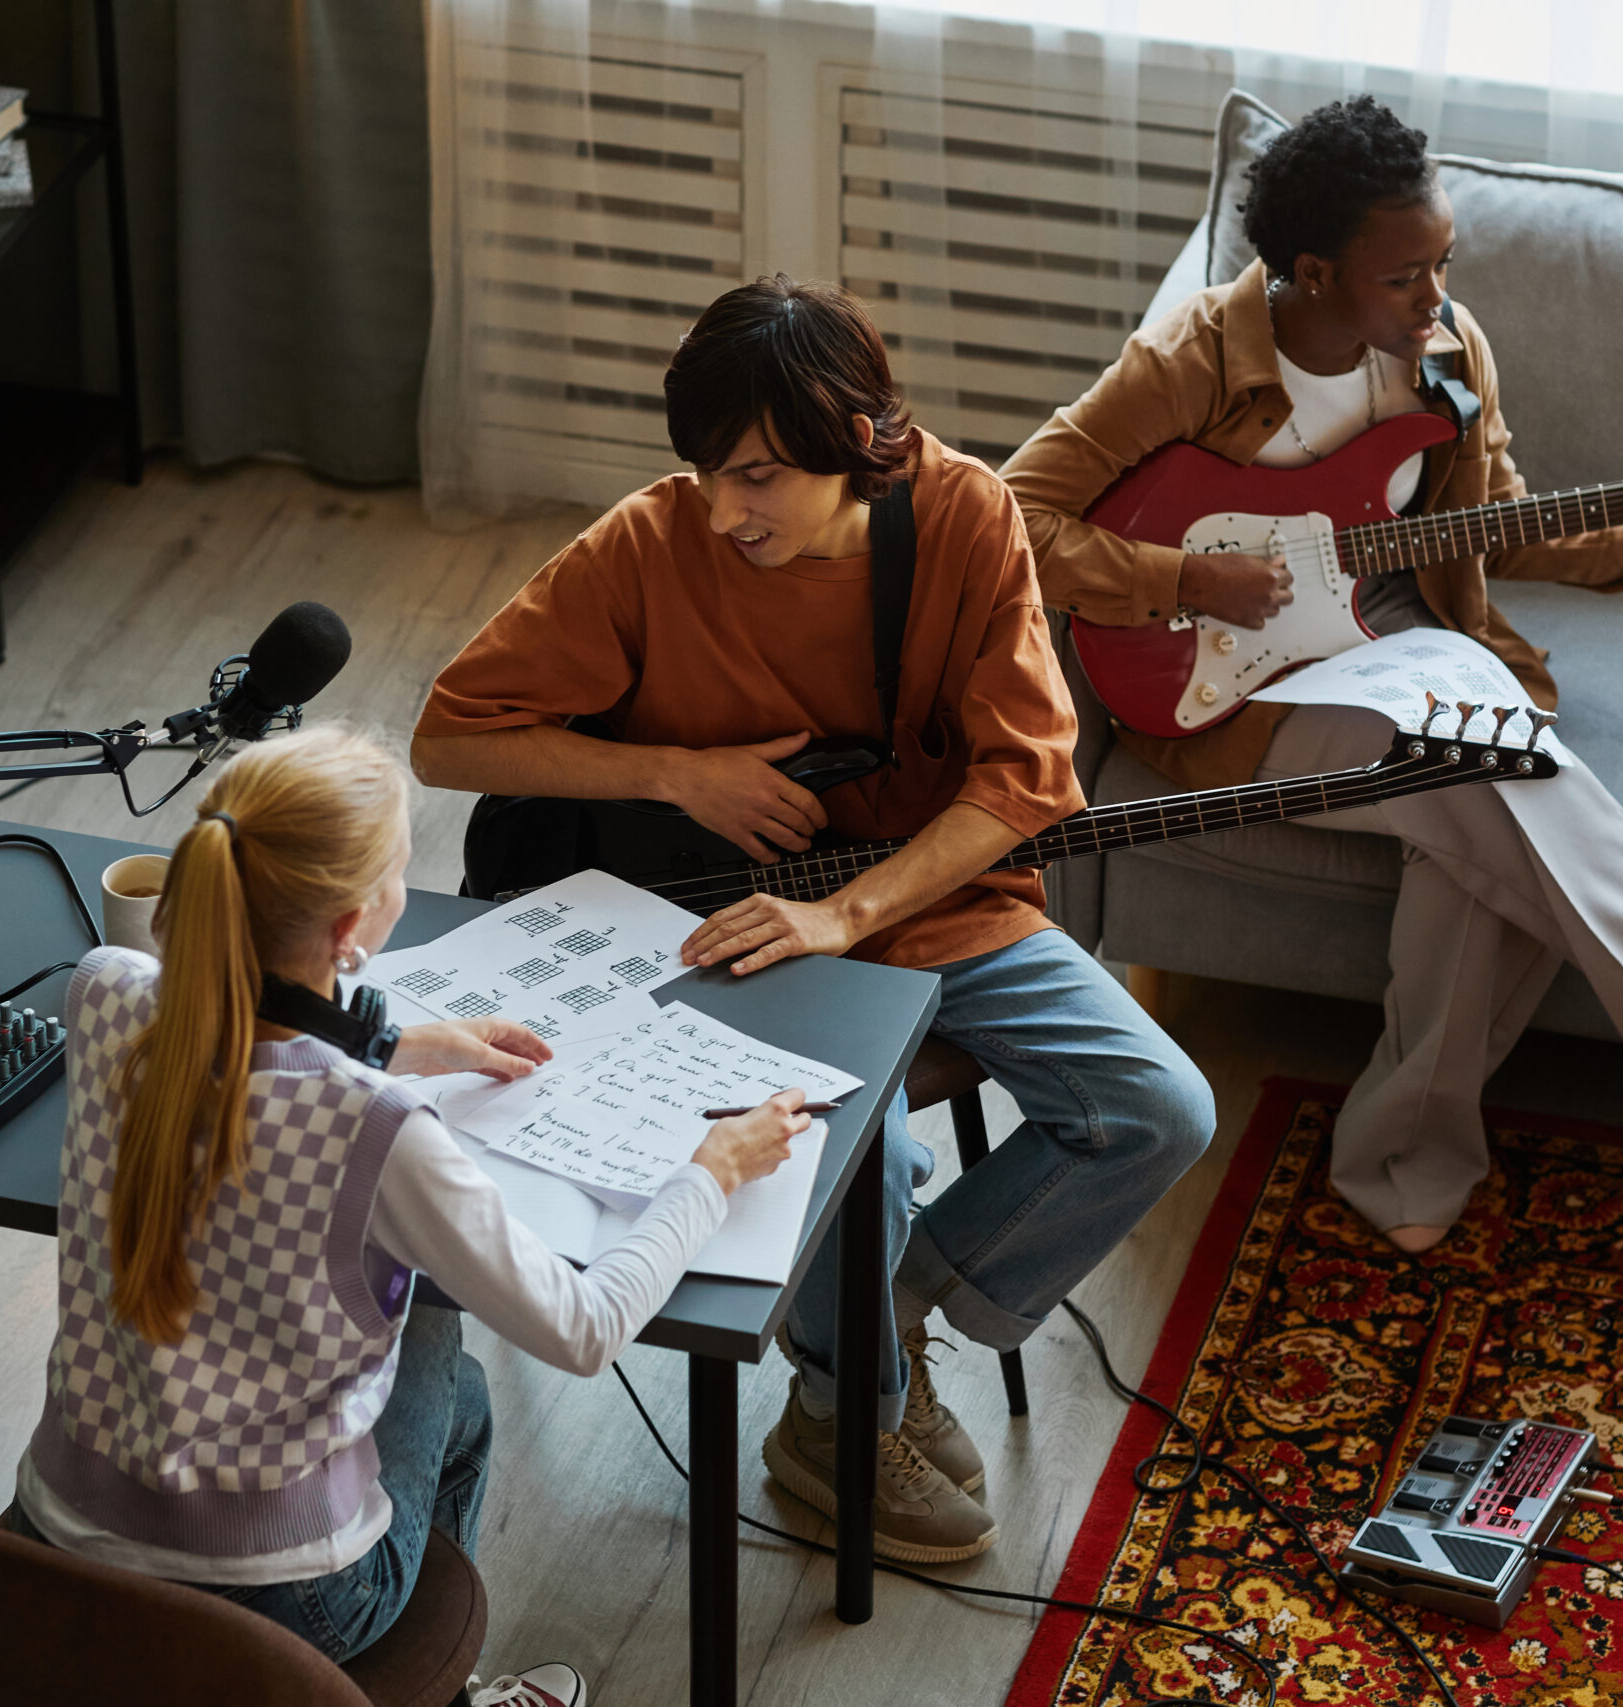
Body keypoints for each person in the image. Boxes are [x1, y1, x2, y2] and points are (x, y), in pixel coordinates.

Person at [411, 277, 1217, 1564]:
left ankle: (875, 1336)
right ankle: (843, 1417)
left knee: (1159, 1108)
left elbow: (1025, 781)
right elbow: (448, 737)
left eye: (758, 477)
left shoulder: (964, 517)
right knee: (867, 1163)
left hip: (929, 898)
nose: (723, 510)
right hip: (726, 932)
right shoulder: (650, 541)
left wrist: (847, 912)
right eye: (706, 473)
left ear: (854, 441)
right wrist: (674, 774)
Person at [1000, 95, 1623, 1254]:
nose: (1434, 297)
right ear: (1310, 272)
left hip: (1391, 635)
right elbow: (1009, 514)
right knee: (1486, 755)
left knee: (1475, 796)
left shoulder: (1447, 353)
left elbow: (1498, 527)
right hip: (1228, 684)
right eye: (1404, 276)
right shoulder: (1191, 358)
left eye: (1443, 264)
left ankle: (1402, 1166)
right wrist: (1182, 578)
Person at [0, 723, 809, 1707]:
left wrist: (403, 1042)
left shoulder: (104, 992)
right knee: (454, 1386)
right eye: (396, 876)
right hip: (285, 1600)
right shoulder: (373, 1129)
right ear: (352, 929)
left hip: (55, 1537)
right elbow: (583, 1328)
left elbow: (238, 1042)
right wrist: (711, 1173)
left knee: (414, 1342)